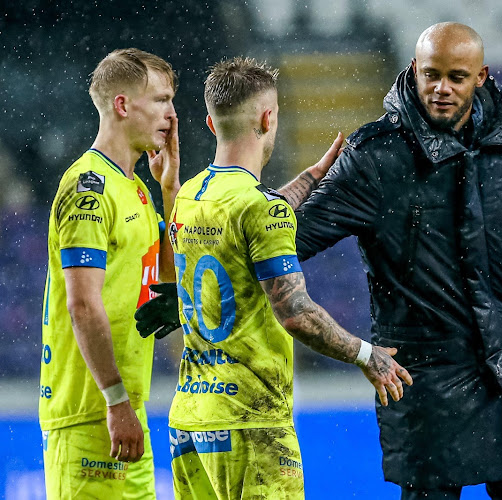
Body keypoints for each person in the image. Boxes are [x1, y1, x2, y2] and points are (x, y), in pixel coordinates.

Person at [294, 23, 502, 499]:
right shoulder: (375, 156)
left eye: (456, 77)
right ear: (414, 69)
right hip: (425, 377)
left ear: (482, 76)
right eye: (431, 74)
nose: (441, 89)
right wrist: (202, 276)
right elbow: (286, 241)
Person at [159, 57, 412, 500]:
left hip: (190, 419)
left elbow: (254, 214)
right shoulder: (260, 209)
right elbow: (295, 314)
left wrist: (313, 177)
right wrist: (366, 354)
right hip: (251, 422)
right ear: (268, 117)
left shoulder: (191, 196)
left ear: (211, 123)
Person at [39, 48, 181, 500]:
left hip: (124, 413)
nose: (172, 114)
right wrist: (115, 400)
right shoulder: (88, 189)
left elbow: (164, 290)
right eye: (160, 100)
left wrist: (170, 190)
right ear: (122, 106)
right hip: (90, 415)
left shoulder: (136, 188)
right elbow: (81, 303)